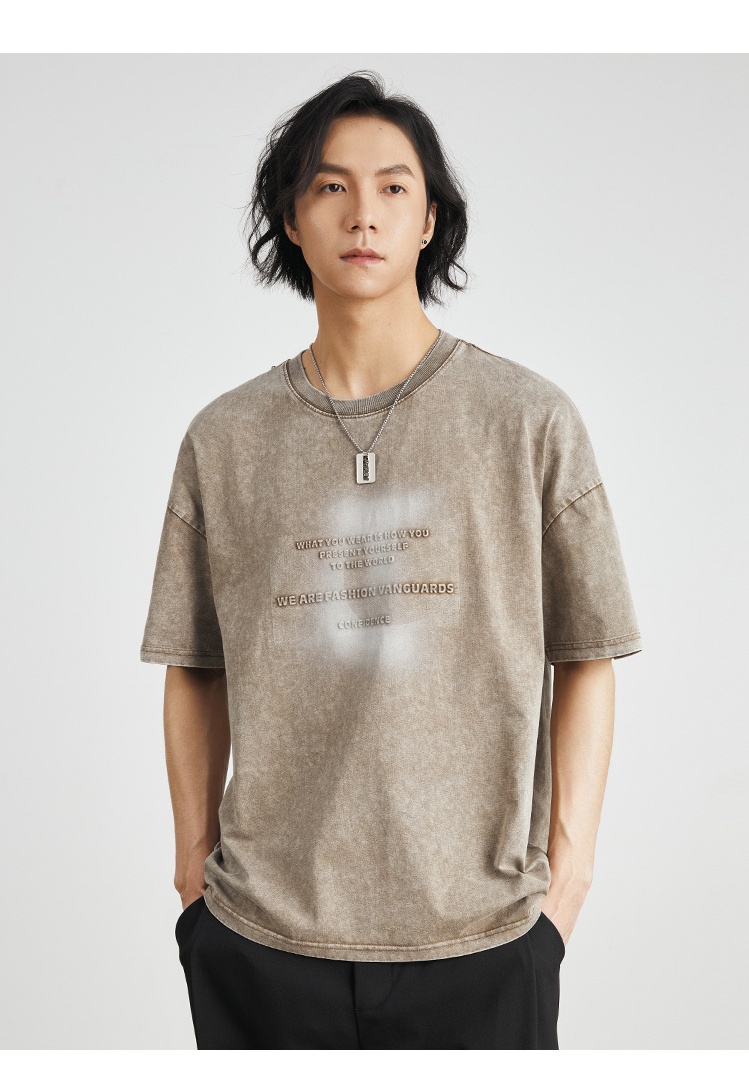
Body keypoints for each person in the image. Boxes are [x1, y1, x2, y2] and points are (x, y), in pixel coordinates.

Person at [140, 69, 642, 1050]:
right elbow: (192, 664)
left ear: (429, 219)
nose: (362, 213)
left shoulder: (527, 420)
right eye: (330, 186)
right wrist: (194, 875)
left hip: (484, 937)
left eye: (393, 187)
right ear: (291, 218)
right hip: (259, 938)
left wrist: (566, 885)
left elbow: (589, 651)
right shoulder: (224, 439)